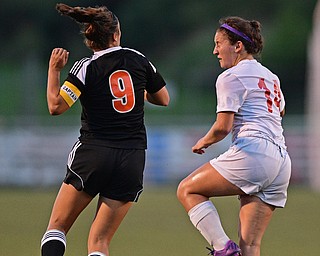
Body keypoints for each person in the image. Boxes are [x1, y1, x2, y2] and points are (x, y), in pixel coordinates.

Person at [41, 3, 169, 256]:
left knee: (56, 228)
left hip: (94, 154)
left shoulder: (86, 67)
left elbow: (56, 106)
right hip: (131, 158)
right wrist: (137, 91)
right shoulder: (139, 59)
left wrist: (54, 70)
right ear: (116, 35)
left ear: (90, 40)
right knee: (99, 242)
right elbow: (163, 98)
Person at [177, 16, 291, 256]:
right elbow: (280, 110)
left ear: (238, 46)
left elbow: (223, 127)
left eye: (219, 43)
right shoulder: (272, 77)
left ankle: (223, 248)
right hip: (281, 162)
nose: (215, 50)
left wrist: (203, 141)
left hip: (254, 153)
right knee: (251, 245)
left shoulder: (230, 76)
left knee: (187, 190)